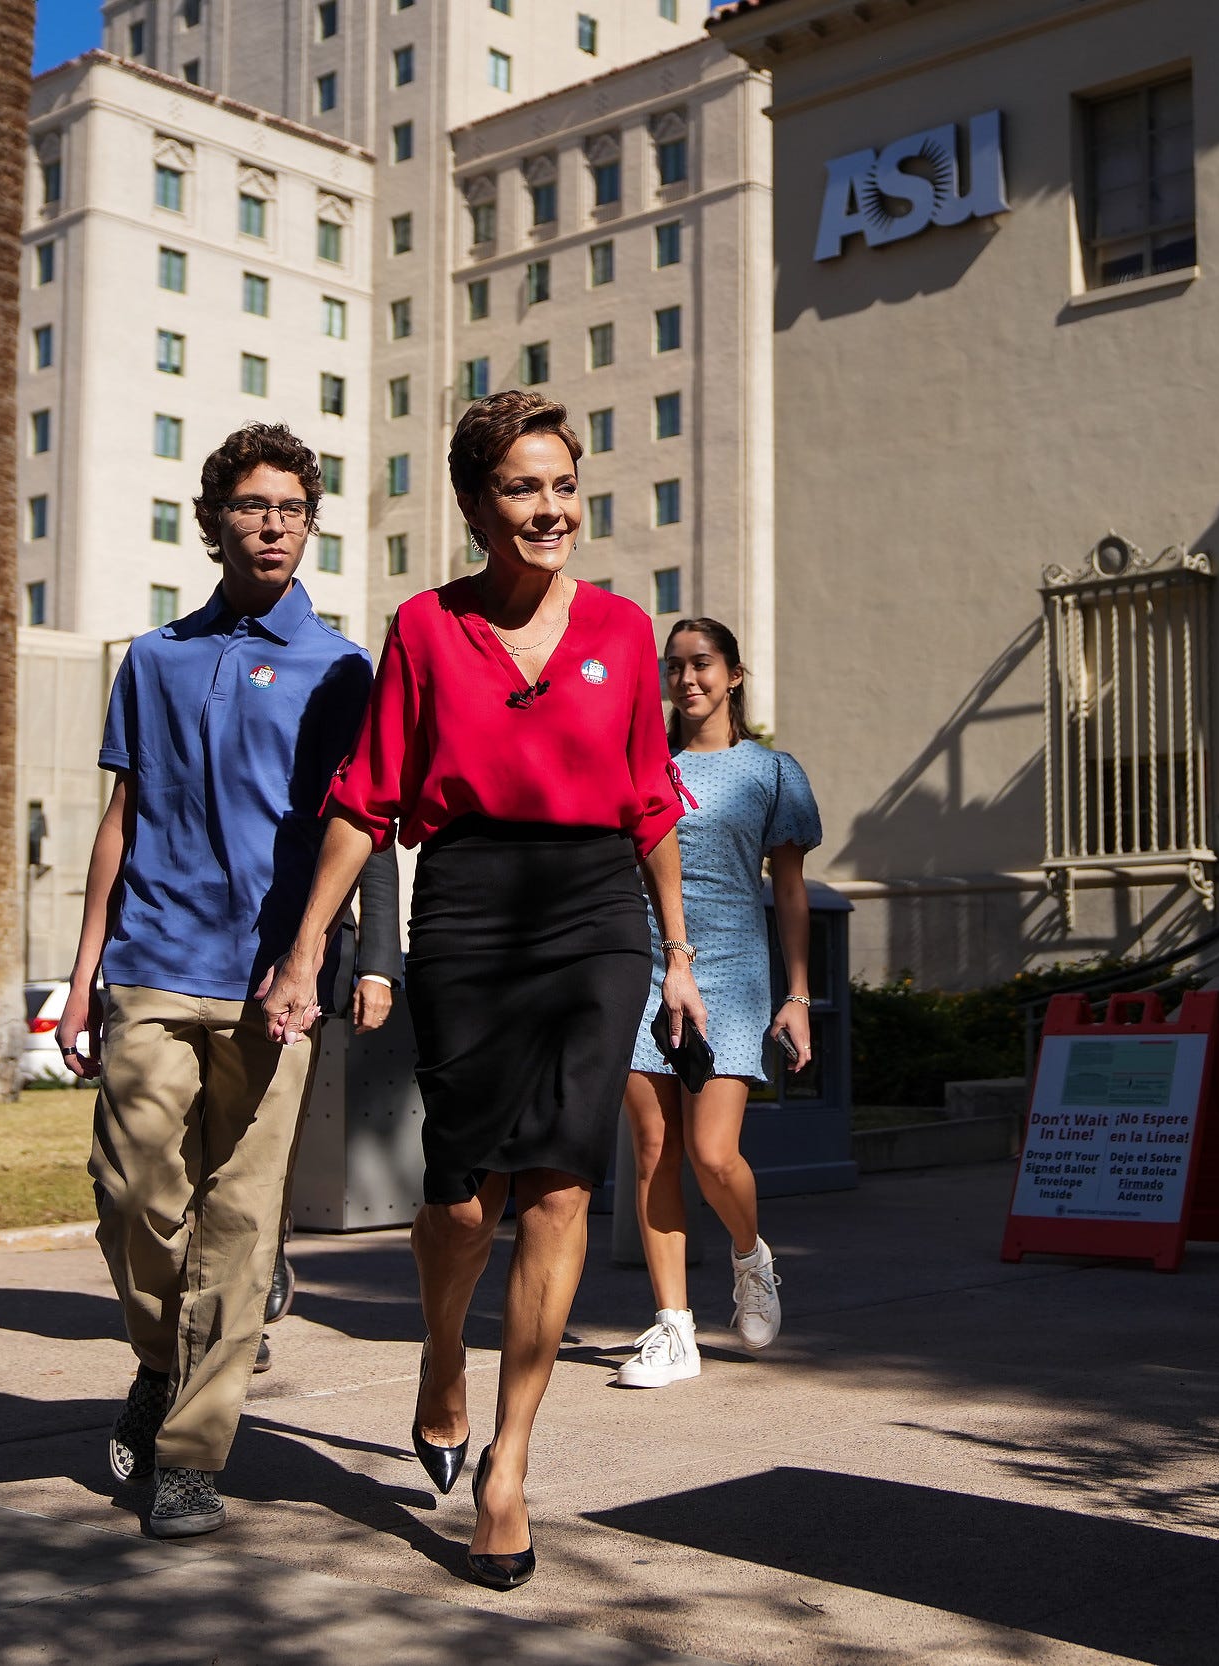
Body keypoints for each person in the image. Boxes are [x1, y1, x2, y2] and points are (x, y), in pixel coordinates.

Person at [260, 390, 704, 1591]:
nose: (550, 507)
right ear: (475, 504)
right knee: (465, 1199)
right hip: (464, 902)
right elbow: (366, 797)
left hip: (595, 914)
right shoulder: (423, 628)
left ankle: (510, 1465)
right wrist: (310, 948)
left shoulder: (621, 626)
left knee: (558, 1183)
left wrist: (679, 951)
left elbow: (652, 802)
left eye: (563, 484)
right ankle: (441, 1350)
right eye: (523, 486)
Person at [57, 422, 401, 1541]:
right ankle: (164, 1361)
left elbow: (369, 819)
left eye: (292, 509)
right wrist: (78, 976)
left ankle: (193, 1457)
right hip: (152, 963)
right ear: (212, 522)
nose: (273, 525)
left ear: (310, 525)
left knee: (243, 1218)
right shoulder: (152, 659)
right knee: (133, 1192)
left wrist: (370, 958)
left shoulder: (343, 667)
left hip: (273, 984)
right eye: (253, 506)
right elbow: (122, 819)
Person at [614, 618, 822, 1389]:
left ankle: (750, 1257)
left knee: (710, 1153)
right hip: (644, 965)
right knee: (651, 1152)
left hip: (733, 971)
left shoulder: (772, 773)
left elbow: (792, 891)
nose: (686, 679)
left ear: (734, 675)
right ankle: (674, 1329)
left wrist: (796, 995)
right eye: (674, 667)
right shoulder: (643, 765)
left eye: (702, 664)